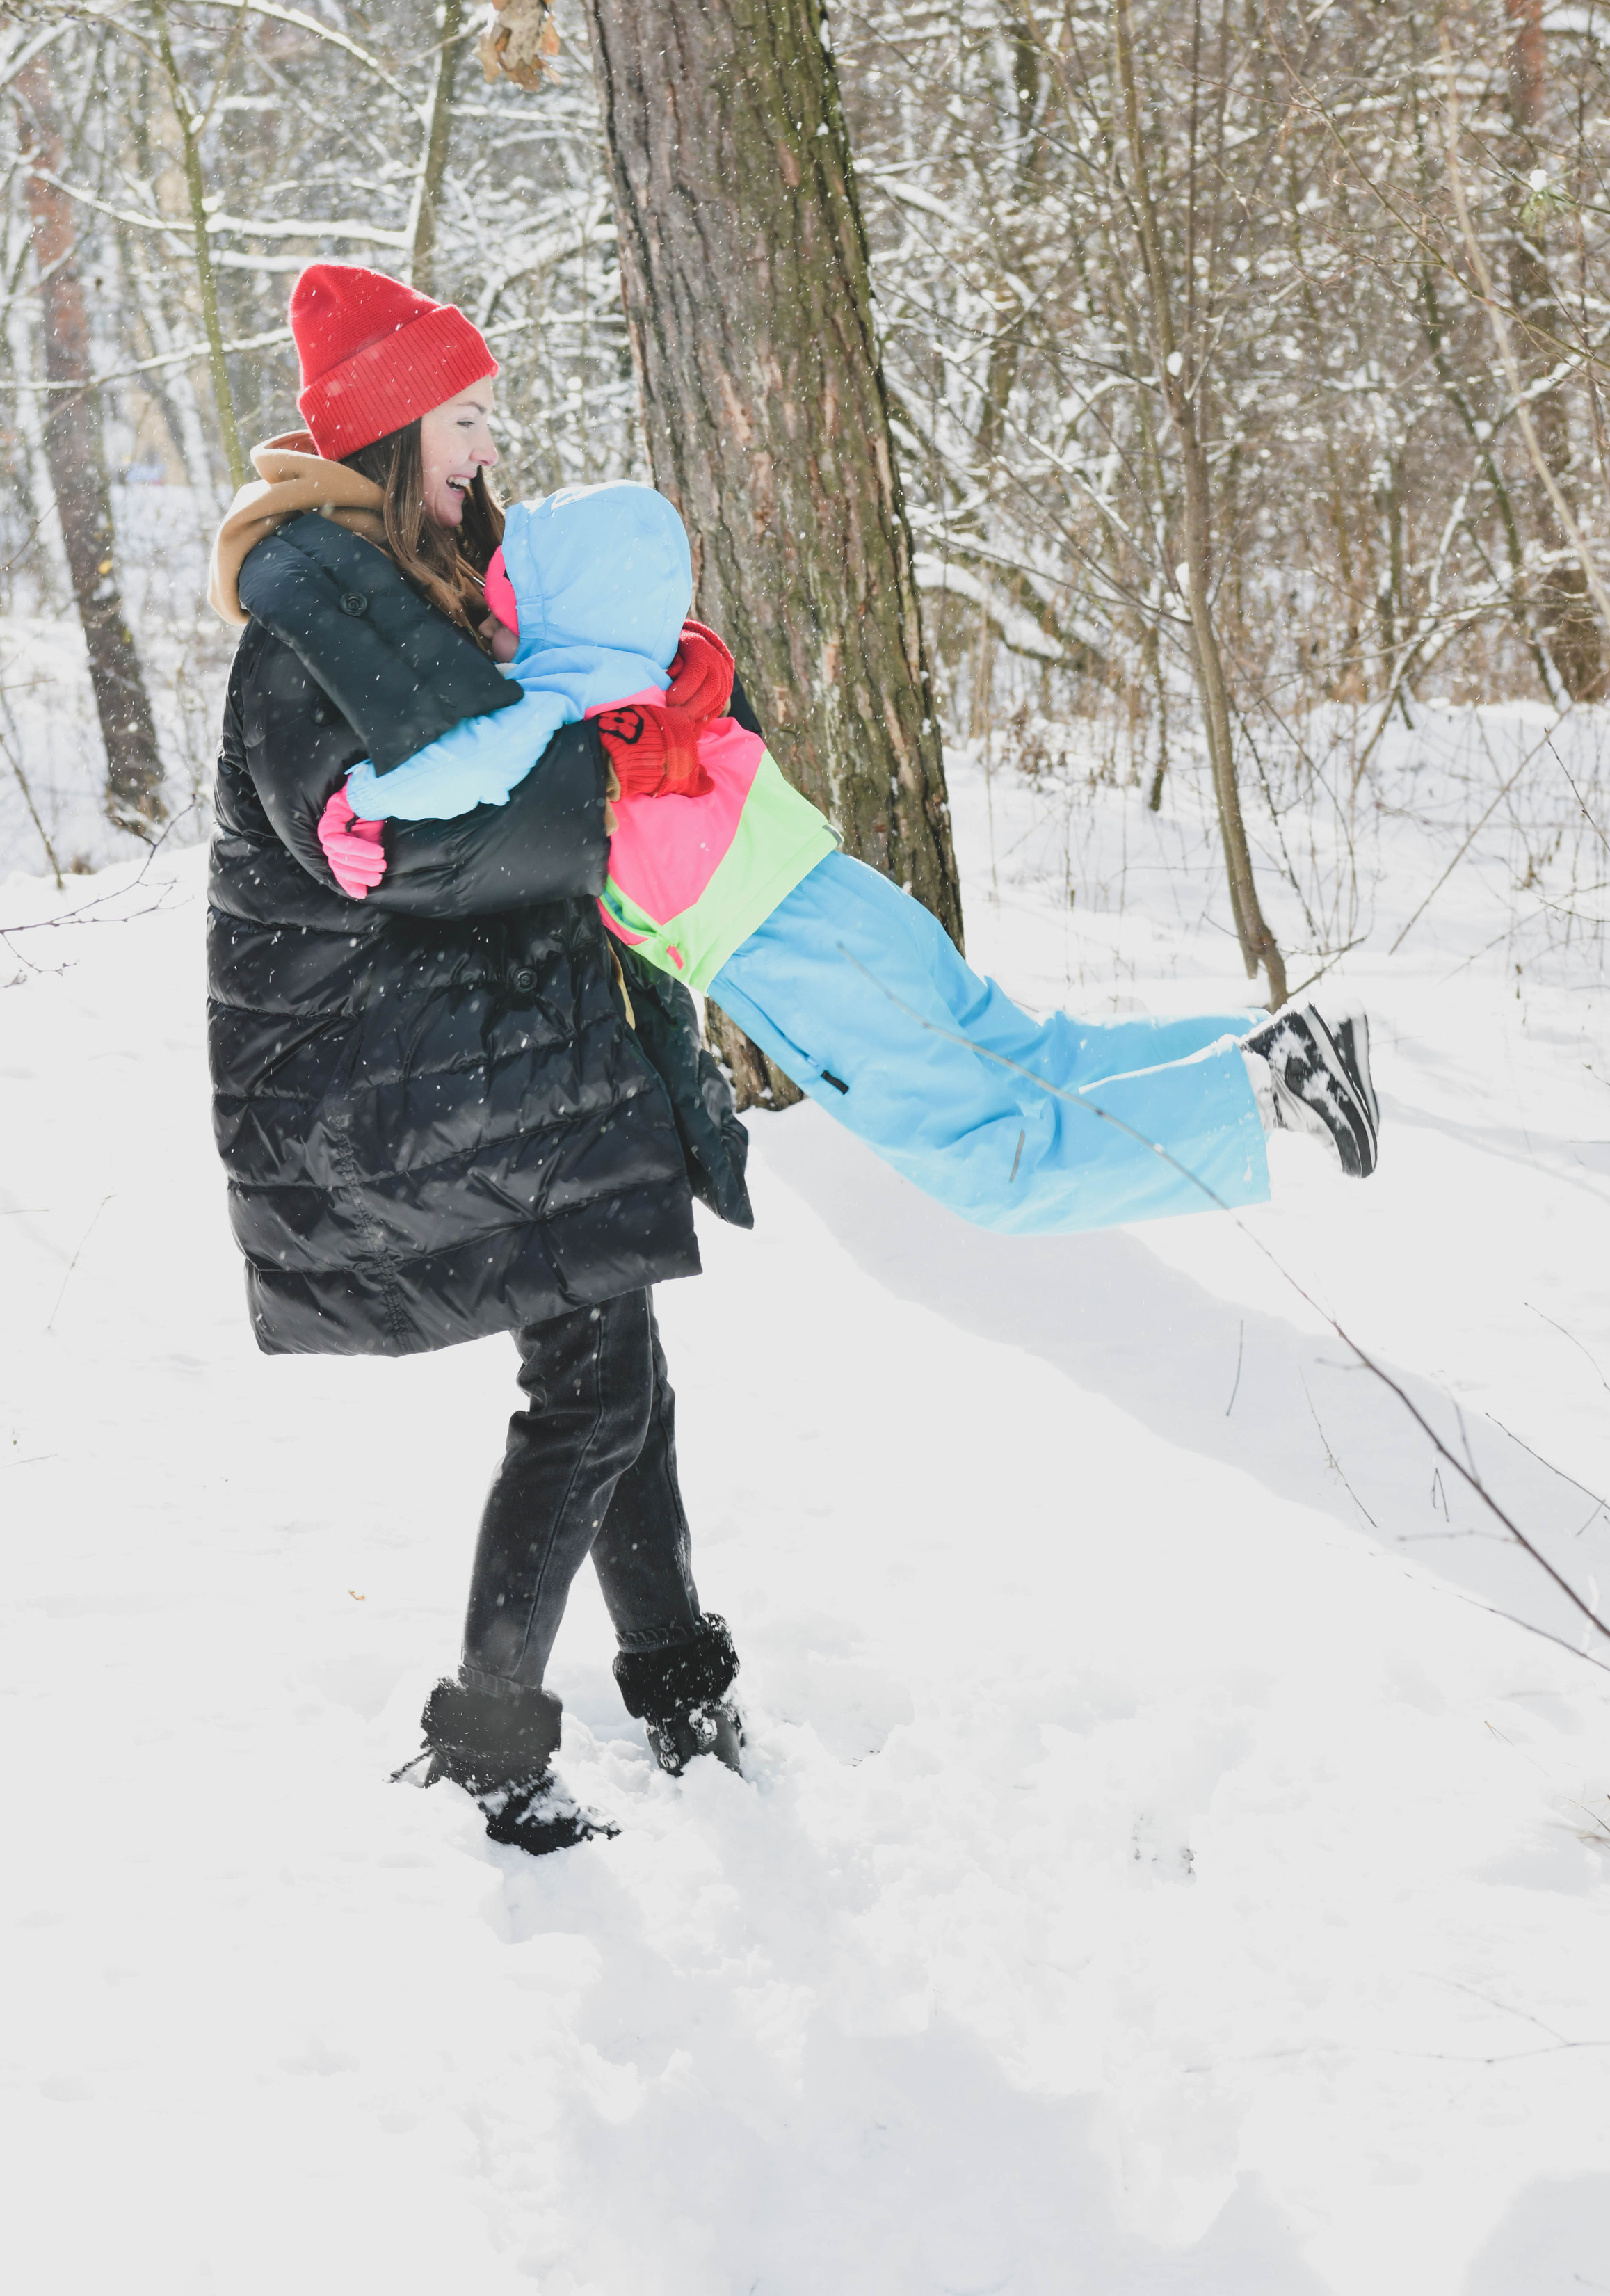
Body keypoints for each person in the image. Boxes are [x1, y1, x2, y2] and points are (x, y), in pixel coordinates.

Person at [206, 264, 750, 1857]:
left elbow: (529, 741)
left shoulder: (428, 585)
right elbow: (425, 852)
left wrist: (649, 715)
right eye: (462, 417)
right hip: (401, 1078)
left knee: (616, 1375)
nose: (485, 444)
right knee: (591, 1392)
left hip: (503, 1057)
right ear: (389, 434)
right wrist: (599, 773)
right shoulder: (306, 633)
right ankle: (494, 1744)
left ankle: (677, 1689)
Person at [321, 483, 1381, 1228]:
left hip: (801, 951)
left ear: (559, 615)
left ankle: (1263, 1091)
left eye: (505, 604)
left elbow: (470, 763)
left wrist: (363, 802)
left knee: (995, 1172)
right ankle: (1282, 1046)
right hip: (840, 915)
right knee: (1036, 1063)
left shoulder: (575, 700)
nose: (493, 627)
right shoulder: (655, 679)